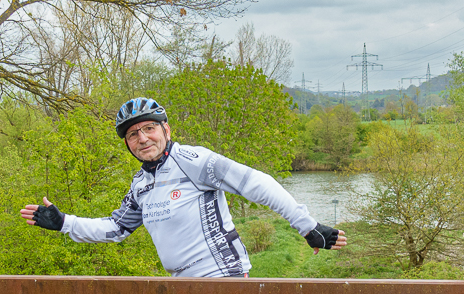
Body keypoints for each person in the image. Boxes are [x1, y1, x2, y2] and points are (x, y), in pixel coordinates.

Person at [19, 97, 346, 278]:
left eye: (149, 128)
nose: (142, 138)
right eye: (133, 134)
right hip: (182, 285)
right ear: (128, 144)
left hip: (223, 278)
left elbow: (256, 183)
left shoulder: (194, 161)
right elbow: (116, 228)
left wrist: (307, 225)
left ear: (166, 130)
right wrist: (65, 223)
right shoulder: (141, 185)